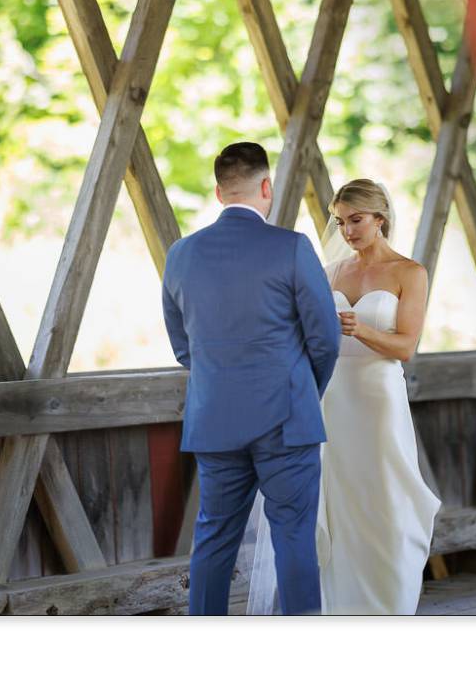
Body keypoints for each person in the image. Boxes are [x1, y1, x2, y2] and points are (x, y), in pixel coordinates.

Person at [161, 141, 341, 616]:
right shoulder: (293, 248)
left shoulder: (180, 255)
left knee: (214, 537)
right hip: (287, 418)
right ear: (267, 187)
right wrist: (304, 391)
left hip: (215, 419)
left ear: (220, 193)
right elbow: (326, 339)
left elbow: (183, 347)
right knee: (294, 538)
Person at [247, 178, 441, 615]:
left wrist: (362, 329)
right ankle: (338, 608)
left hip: (377, 401)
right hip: (331, 398)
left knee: (386, 500)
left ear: (380, 219)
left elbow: (406, 347)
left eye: (356, 220)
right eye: (340, 222)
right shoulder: (331, 272)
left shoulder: (410, 273)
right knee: (335, 504)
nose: (348, 231)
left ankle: (387, 606)